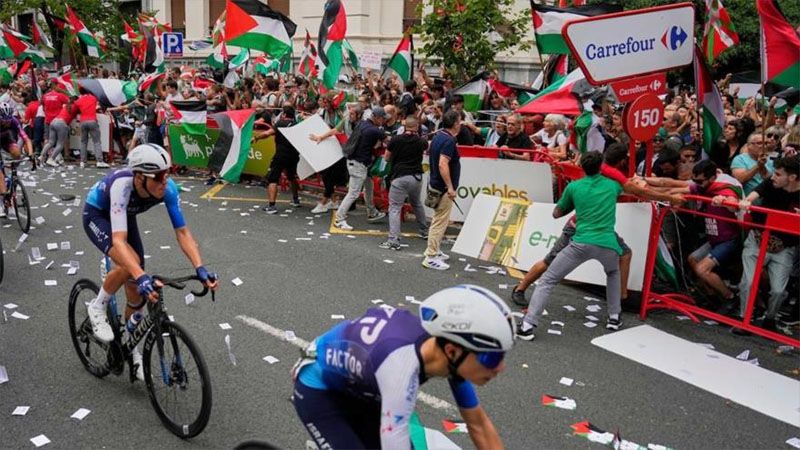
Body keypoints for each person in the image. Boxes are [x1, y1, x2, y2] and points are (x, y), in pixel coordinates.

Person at [292, 284, 514, 450]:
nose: (500, 368)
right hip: (320, 391)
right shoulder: (399, 366)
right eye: (491, 359)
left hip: (362, 390)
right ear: (452, 351)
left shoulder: (445, 349)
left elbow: (479, 426)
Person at [82, 144, 219, 380]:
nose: (164, 180)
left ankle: (133, 354)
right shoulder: (122, 187)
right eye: (157, 176)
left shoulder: (168, 189)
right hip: (98, 215)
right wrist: (140, 274)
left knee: (137, 297)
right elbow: (119, 240)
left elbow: (183, 233)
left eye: (167, 173)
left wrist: (200, 267)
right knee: (131, 265)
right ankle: (97, 305)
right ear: (138, 177)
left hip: (126, 216)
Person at [509, 143, 684, 311]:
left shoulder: (596, 177)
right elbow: (639, 191)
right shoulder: (612, 177)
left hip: (597, 228)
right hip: (581, 228)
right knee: (550, 262)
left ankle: (622, 297)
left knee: (625, 253)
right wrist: (672, 198)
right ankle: (520, 288)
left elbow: (557, 213)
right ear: (622, 161)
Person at [517, 151, 625, 340]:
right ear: (601, 167)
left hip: (581, 242)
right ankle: (614, 317)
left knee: (548, 280)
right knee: (613, 273)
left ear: (581, 167)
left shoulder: (574, 187)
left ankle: (527, 325)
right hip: (608, 243)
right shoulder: (613, 186)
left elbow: (557, 213)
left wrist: (571, 204)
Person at [715, 155, 799, 333]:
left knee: (778, 290)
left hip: (784, 248)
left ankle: (769, 319)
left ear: (792, 177)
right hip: (757, 239)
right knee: (748, 282)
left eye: (778, 174)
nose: (772, 176)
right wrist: (746, 201)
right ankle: (744, 319)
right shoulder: (770, 183)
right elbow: (754, 194)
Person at [329, 106, 388, 231]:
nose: (383, 121)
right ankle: (339, 219)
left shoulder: (362, 124)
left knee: (369, 186)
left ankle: (372, 211)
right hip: (359, 164)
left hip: (356, 161)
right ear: (376, 118)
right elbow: (389, 142)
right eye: (382, 119)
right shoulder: (374, 130)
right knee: (353, 193)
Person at [379, 116, 429, 250]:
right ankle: (424, 231)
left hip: (400, 176)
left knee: (395, 207)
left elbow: (387, 157)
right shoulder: (421, 141)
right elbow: (426, 148)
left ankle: (393, 239)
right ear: (417, 127)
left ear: (405, 125)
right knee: (417, 203)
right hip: (416, 177)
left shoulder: (396, 139)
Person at [423, 110, 461, 271]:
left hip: (436, 184)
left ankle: (435, 250)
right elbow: (442, 164)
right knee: (439, 221)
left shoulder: (438, 136)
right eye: (459, 121)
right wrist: (450, 187)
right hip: (443, 187)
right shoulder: (449, 141)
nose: (461, 124)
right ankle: (431, 256)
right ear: (455, 123)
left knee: (440, 220)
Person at [262, 104, 301, 214]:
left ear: (284, 114)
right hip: (293, 155)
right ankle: (296, 199)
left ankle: (271, 206)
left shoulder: (280, 124)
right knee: (292, 177)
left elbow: (267, 133)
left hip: (280, 155)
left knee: (273, 179)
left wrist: (256, 137)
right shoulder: (296, 125)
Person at [73, 91, 109, 168]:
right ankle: (99, 161)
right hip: (92, 120)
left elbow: (74, 109)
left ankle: (83, 161)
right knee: (96, 142)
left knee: (83, 142)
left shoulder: (79, 100)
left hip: (83, 121)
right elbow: (100, 103)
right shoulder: (93, 98)